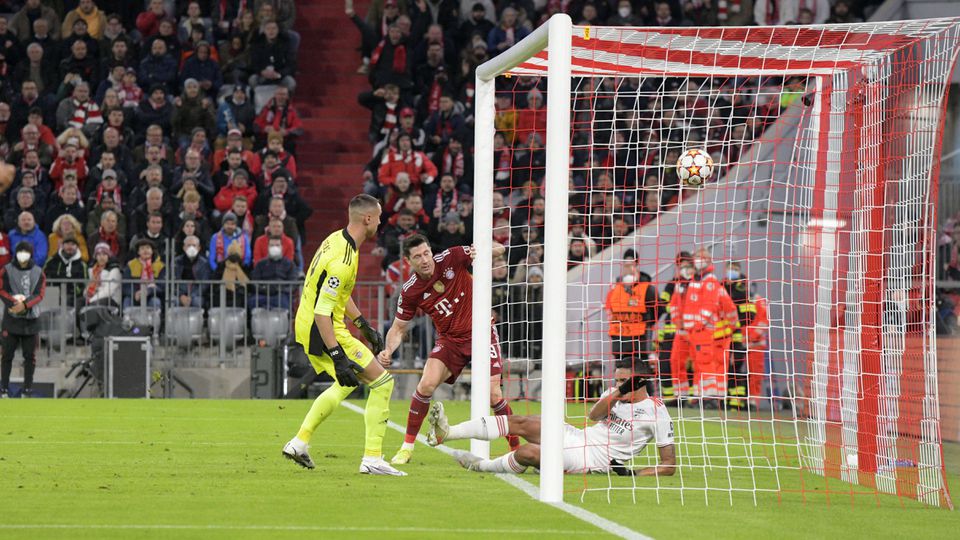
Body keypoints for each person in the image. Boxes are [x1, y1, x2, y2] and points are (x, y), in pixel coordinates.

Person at [282, 194, 403, 476]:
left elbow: (338, 294)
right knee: (383, 383)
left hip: (309, 322)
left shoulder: (336, 239)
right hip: (321, 327)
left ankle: (300, 442)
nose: (381, 221)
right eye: (380, 216)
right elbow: (324, 312)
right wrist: (338, 356)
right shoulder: (344, 260)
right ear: (368, 219)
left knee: (347, 383)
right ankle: (372, 458)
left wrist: (362, 324)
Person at [378, 234, 519, 465]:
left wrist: (483, 250)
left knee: (494, 394)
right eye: (417, 257)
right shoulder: (410, 290)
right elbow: (398, 328)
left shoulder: (451, 257)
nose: (424, 259)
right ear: (408, 262)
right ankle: (407, 447)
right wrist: (388, 350)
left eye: (426, 253)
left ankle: (517, 450)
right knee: (425, 384)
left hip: (481, 333)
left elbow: (500, 250)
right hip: (450, 340)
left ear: (431, 251)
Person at [429, 364, 677, 477]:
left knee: (527, 451)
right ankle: (447, 433)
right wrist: (618, 393)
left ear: (640, 382)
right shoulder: (613, 396)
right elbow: (593, 416)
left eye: (624, 381)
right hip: (578, 437)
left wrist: (635, 474)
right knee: (523, 421)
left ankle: (481, 466)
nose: (617, 385)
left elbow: (668, 465)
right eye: (616, 380)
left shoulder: (657, 412)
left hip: (589, 459)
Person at [668, 248, 739, 405]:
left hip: (705, 331)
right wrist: (680, 322)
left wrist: (697, 325)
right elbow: (674, 305)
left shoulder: (709, 282)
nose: (685, 268)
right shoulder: (688, 282)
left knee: (707, 363)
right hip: (689, 330)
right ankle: (690, 395)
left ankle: (710, 397)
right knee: (689, 362)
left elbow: (713, 308)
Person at [0, 242, 46, 398]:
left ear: (31, 253)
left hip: (31, 321)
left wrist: (25, 305)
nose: (22, 254)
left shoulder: (38, 272)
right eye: (20, 251)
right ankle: (4, 389)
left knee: (30, 357)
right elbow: (1, 289)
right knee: (6, 355)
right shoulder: (6, 270)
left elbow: (40, 294)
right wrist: (14, 304)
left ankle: (27, 390)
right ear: (15, 252)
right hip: (10, 320)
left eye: (25, 251)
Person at [722, 262, 770, 409]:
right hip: (735, 341)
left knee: (754, 375)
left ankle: (752, 401)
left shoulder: (758, 300)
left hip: (754, 345)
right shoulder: (725, 292)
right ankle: (736, 400)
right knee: (733, 371)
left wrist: (747, 336)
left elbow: (762, 323)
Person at [655, 251, 692, 400]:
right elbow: (662, 305)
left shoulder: (696, 283)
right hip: (671, 333)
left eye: (686, 264)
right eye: (680, 264)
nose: (683, 267)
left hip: (690, 332)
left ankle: (689, 397)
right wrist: (677, 307)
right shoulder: (672, 284)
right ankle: (669, 398)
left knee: (688, 366)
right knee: (665, 365)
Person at [605, 272, 657, 370]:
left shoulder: (647, 289)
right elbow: (609, 312)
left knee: (640, 374)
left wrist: (649, 323)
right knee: (622, 375)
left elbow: (658, 309)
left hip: (639, 342)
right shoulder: (614, 291)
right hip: (621, 342)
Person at [249, 236, 298, 309]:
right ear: (268, 247)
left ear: (282, 247)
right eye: (272, 245)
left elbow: (293, 284)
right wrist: (266, 289)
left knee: (283, 302)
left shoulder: (289, 264)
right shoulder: (260, 264)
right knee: (251, 302)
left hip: (281, 295)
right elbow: (254, 282)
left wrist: (279, 289)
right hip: (263, 294)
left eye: (277, 245)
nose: (274, 248)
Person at [42, 236, 86, 307]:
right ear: (62, 245)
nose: (70, 247)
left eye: (73, 244)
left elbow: (84, 283)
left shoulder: (82, 265)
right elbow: (43, 276)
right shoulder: (52, 261)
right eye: (67, 244)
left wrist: (74, 291)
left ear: (77, 247)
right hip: (52, 292)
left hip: (72, 295)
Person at [122, 239, 165, 309]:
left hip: (152, 295)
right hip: (135, 296)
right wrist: (134, 293)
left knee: (155, 302)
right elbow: (125, 285)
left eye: (148, 248)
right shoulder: (131, 264)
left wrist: (148, 291)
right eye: (142, 248)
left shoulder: (160, 265)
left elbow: (161, 286)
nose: (145, 251)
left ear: (152, 251)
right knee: (127, 301)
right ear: (138, 252)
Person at [171, 235, 210, 308]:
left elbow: (205, 284)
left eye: (194, 245)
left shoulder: (204, 263)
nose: (191, 248)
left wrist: (191, 296)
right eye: (188, 245)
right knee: (174, 301)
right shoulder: (176, 262)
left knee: (197, 302)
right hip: (179, 292)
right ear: (184, 247)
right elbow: (172, 281)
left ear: (199, 248)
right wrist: (181, 295)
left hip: (196, 293)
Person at [85, 242, 122, 308]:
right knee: (79, 302)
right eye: (98, 255)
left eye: (104, 254)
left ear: (108, 256)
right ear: (95, 257)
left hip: (111, 299)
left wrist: (91, 300)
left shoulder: (114, 270)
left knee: (95, 305)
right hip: (94, 297)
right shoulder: (92, 269)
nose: (101, 257)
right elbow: (88, 286)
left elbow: (108, 291)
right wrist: (86, 294)